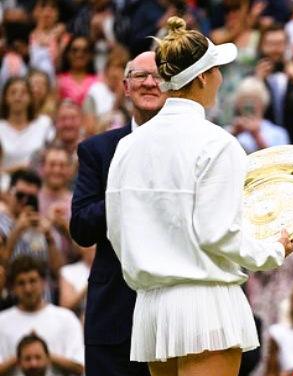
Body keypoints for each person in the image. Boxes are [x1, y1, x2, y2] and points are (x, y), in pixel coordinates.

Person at [105, 17, 293, 376]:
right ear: (204, 77)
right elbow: (216, 232)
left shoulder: (127, 146)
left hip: (151, 305)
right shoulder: (217, 143)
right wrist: (273, 249)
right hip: (205, 302)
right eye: (218, 69)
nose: (222, 78)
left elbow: (118, 232)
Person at [69, 51, 167, 376]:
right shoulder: (97, 150)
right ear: (126, 86)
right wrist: (125, 194)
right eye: (140, 76)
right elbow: (81, 227)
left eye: (159, 76)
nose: (150, 83)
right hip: (114, 314)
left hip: (174, 312)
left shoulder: (194, 150)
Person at [0, 256, 84, 376]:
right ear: (13, 288)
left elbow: (80, 367)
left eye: (33, 281)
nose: (28, 289)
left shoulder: (66, 319)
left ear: (44, 282)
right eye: (21, 283)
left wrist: (44, 354)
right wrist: (23, 355)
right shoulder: (2, 322)